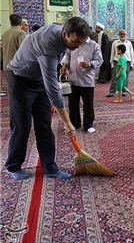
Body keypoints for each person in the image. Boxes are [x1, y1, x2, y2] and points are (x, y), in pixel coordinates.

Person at [6, 16, 91, 180]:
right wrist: (67, 122)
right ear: (65, 33)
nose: (77, 46)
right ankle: (13, 166)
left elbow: (49, 79)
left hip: (38, 80)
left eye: (81, 43)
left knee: (44, 125)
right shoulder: (48, 45)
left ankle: (50, 168)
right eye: (75, 42)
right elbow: (52, 87)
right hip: (20, 80)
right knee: (22, 125)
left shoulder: (61, 32)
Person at [60, 36, 103, 134]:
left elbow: (99, 60)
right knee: (72, 103)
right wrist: (65, 65)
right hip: (73, 79)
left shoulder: (93, 45)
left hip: (86, 81)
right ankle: (74, 123)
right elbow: (67, 55)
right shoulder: (72, 42)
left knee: (88, 104)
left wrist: (89, 64)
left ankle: (88, 124)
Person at [1, 14, 26, 97]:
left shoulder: (4, 34)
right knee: (20, 90)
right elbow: (23, 50)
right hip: (17, 67)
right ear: (20, 23)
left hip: (6, 65)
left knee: (11, 89)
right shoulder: (21, 33)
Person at [107, 29, 134, 97]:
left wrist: (132, 64)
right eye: (121, 34)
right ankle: (112, 91)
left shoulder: (129, 43)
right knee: (115, 77)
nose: (122, 35)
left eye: (124, 34)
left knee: (125, 77)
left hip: (127, 62)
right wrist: (112, 64)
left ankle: (124, 91)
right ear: (118, 35)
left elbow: (132, 54)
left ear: (125, 35)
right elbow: (112, 54)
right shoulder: (115, 43)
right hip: (117, 61)